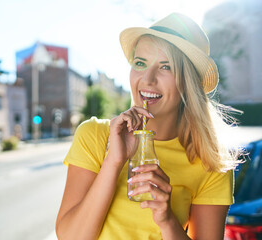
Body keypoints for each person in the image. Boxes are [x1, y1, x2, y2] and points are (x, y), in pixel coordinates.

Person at [55, 12, 239, 240]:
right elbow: (71, 237)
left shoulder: (211, 162)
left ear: (188, 83)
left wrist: (167, 219)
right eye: (140, 63)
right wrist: (113, 161)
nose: (147, 79)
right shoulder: (94, 134)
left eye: (166, 67)